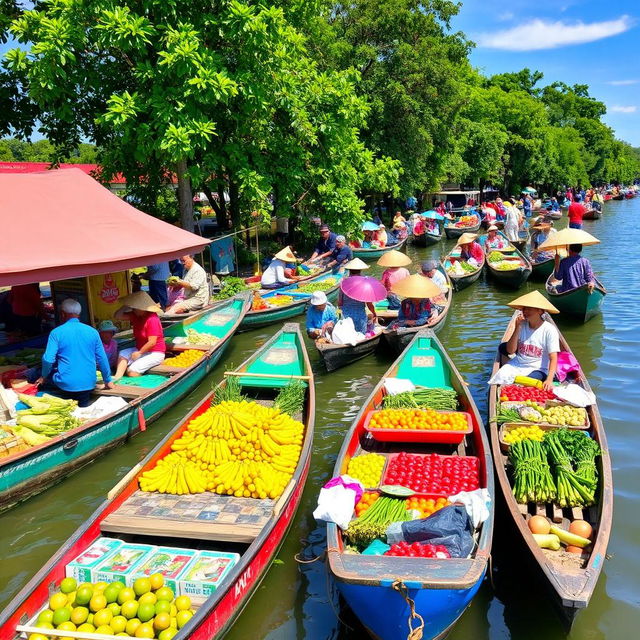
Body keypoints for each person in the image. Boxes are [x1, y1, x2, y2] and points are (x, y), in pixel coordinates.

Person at [36, 298, 114, 406]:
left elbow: (48, 359)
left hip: (65, 385)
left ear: (62, 314)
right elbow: (102, 358)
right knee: (82, 405)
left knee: (39, 377)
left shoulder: (56, 333)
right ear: (79, 314)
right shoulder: (93, 332)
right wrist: (107, 380)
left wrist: (43, 377)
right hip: (88, 383)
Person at [490, 290, 560, 390]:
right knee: (501, 375)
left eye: (529, 309)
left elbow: (553, 357)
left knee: (526, 383)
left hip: (538, 369)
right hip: (518, 364)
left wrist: (549, 380)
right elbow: (510, 350)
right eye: (524, 309)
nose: (525, 311)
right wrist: (517, 327)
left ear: (540, 311)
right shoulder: (522, 325)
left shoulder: (549, 330)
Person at [113, 292, 166, 379]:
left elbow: (152, 342)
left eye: (135, 308)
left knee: (132, 372)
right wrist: (126, 306)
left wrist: (139, 352)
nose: (133, 309)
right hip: (140, 349)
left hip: (155, 352)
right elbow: (117, 316)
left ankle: (146, 382)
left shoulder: (152, 319)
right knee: (123, 354)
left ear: (142, 308)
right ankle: (117, 377)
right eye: (132, 307)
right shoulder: (136, 315)